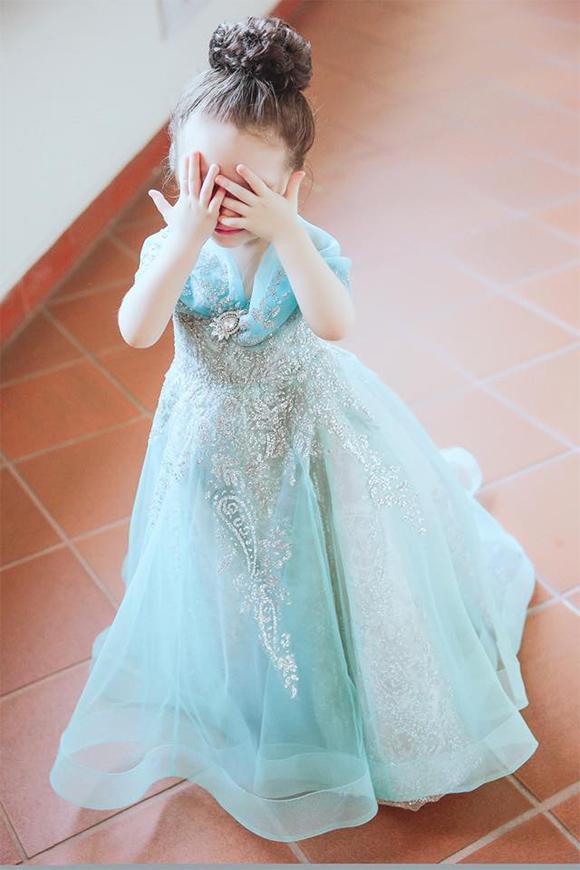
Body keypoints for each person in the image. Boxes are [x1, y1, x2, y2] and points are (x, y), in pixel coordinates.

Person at [49, 14, 539, 844]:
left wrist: (288, 234)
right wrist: (182, 240)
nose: (222, 204)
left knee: (327, 568)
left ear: (292, 186)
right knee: (228, 573)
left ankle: (344, 685)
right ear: (176, 171)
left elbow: (334, 321)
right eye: (203, 180)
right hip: (213, 451)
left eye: (248, 188)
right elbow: (137, 328)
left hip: (311, 440)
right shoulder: (176, 247)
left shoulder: (301, 243)